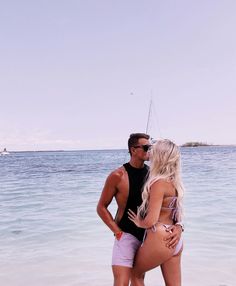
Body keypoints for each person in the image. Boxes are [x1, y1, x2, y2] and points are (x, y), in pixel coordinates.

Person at [97, 134, 183, 286]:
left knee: (137, 276)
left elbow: (168, 208)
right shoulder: (118, 175)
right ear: (133, 150)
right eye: (146, 147)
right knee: (123, 282)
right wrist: (117, 232)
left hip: (151, 236)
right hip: (127, 235)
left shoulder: (155, 176)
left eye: (151, 147)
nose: (150, 151)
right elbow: (101, 207)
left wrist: (179, 226)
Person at [128, 139, 185, 286]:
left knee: (135, 274)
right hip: (175, 238)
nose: (149, 153)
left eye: (153, 150)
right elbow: (177, 214)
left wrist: (140, 222)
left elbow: (152, 220)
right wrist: (179, 226)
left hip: (160, 237)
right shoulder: (175, 183)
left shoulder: (158, 183)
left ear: (160, 156)